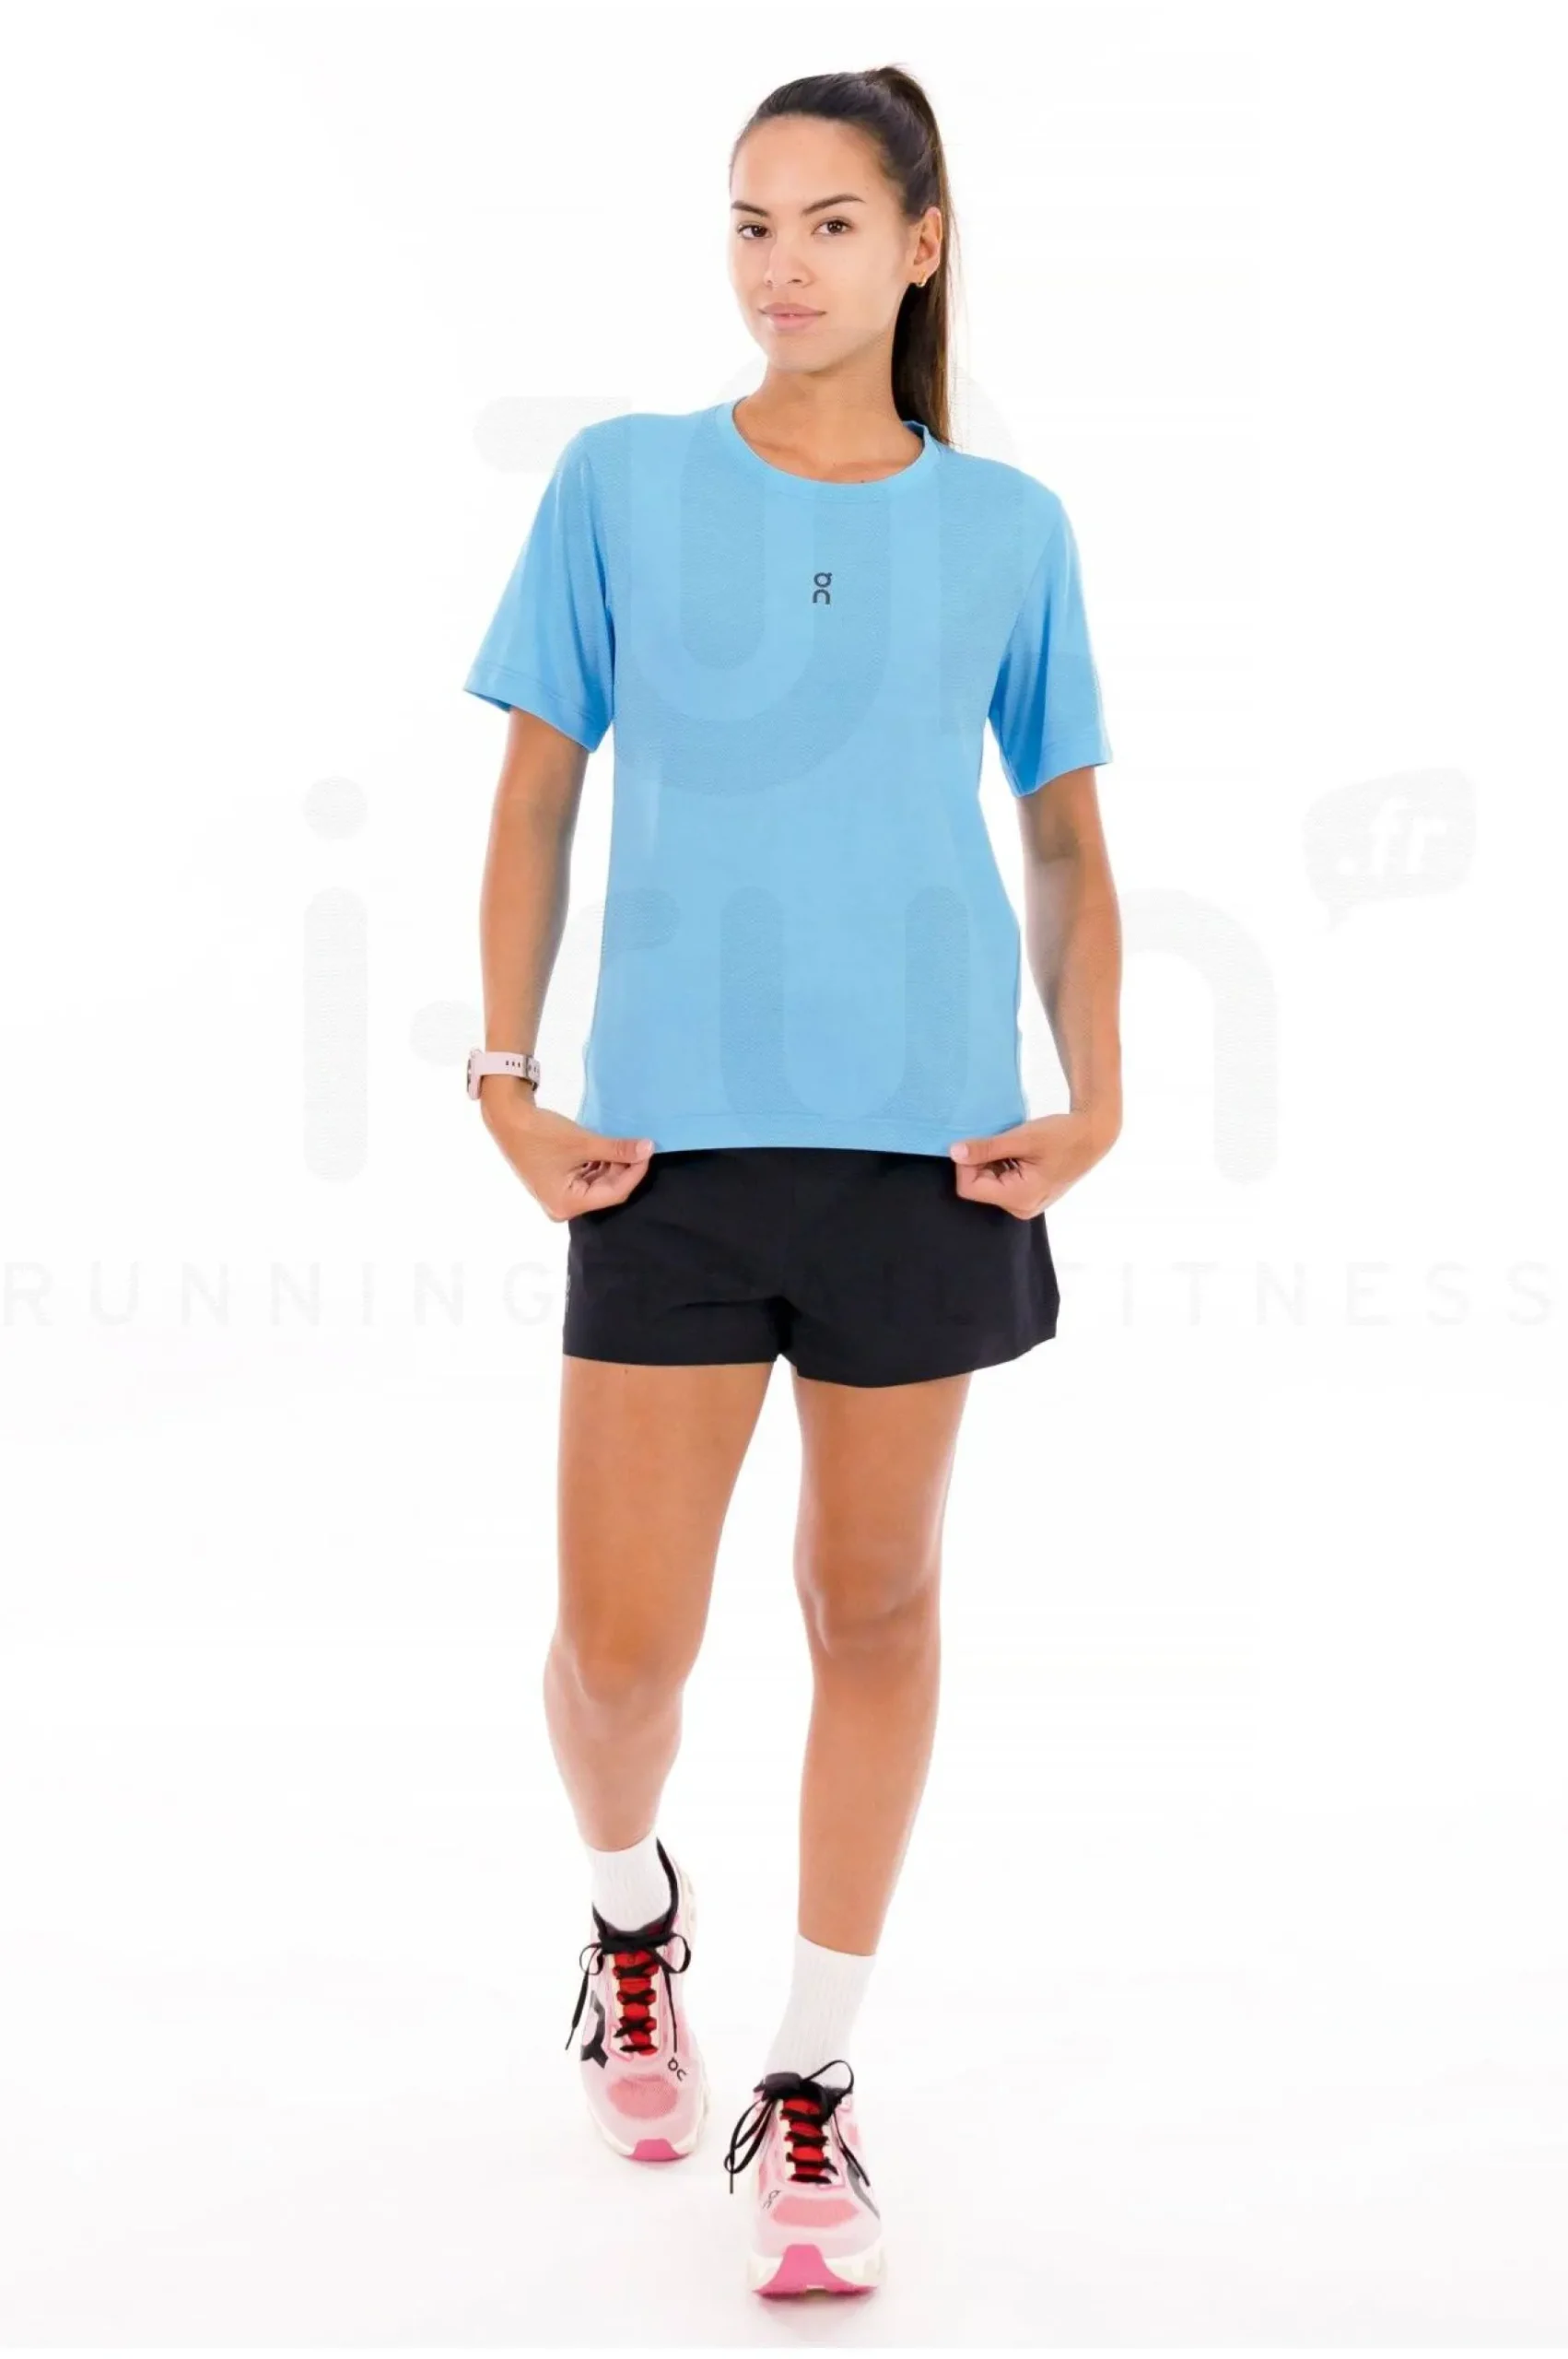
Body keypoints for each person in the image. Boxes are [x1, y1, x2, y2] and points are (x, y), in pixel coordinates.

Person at [461, 63, 1122, 2301]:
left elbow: (1061, 830)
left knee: (875, 1603)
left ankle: (810, 2078)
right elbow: (535, 795)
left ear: (917, 245)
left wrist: (1096, 1091)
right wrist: (502, 1075)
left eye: (831, 223)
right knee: (615, 1654)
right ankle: (630, 1915)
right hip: (660, 1154)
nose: (782, 265)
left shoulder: (1008, 525)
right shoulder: (621, 481)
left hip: (925, 1155)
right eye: (750, 222)